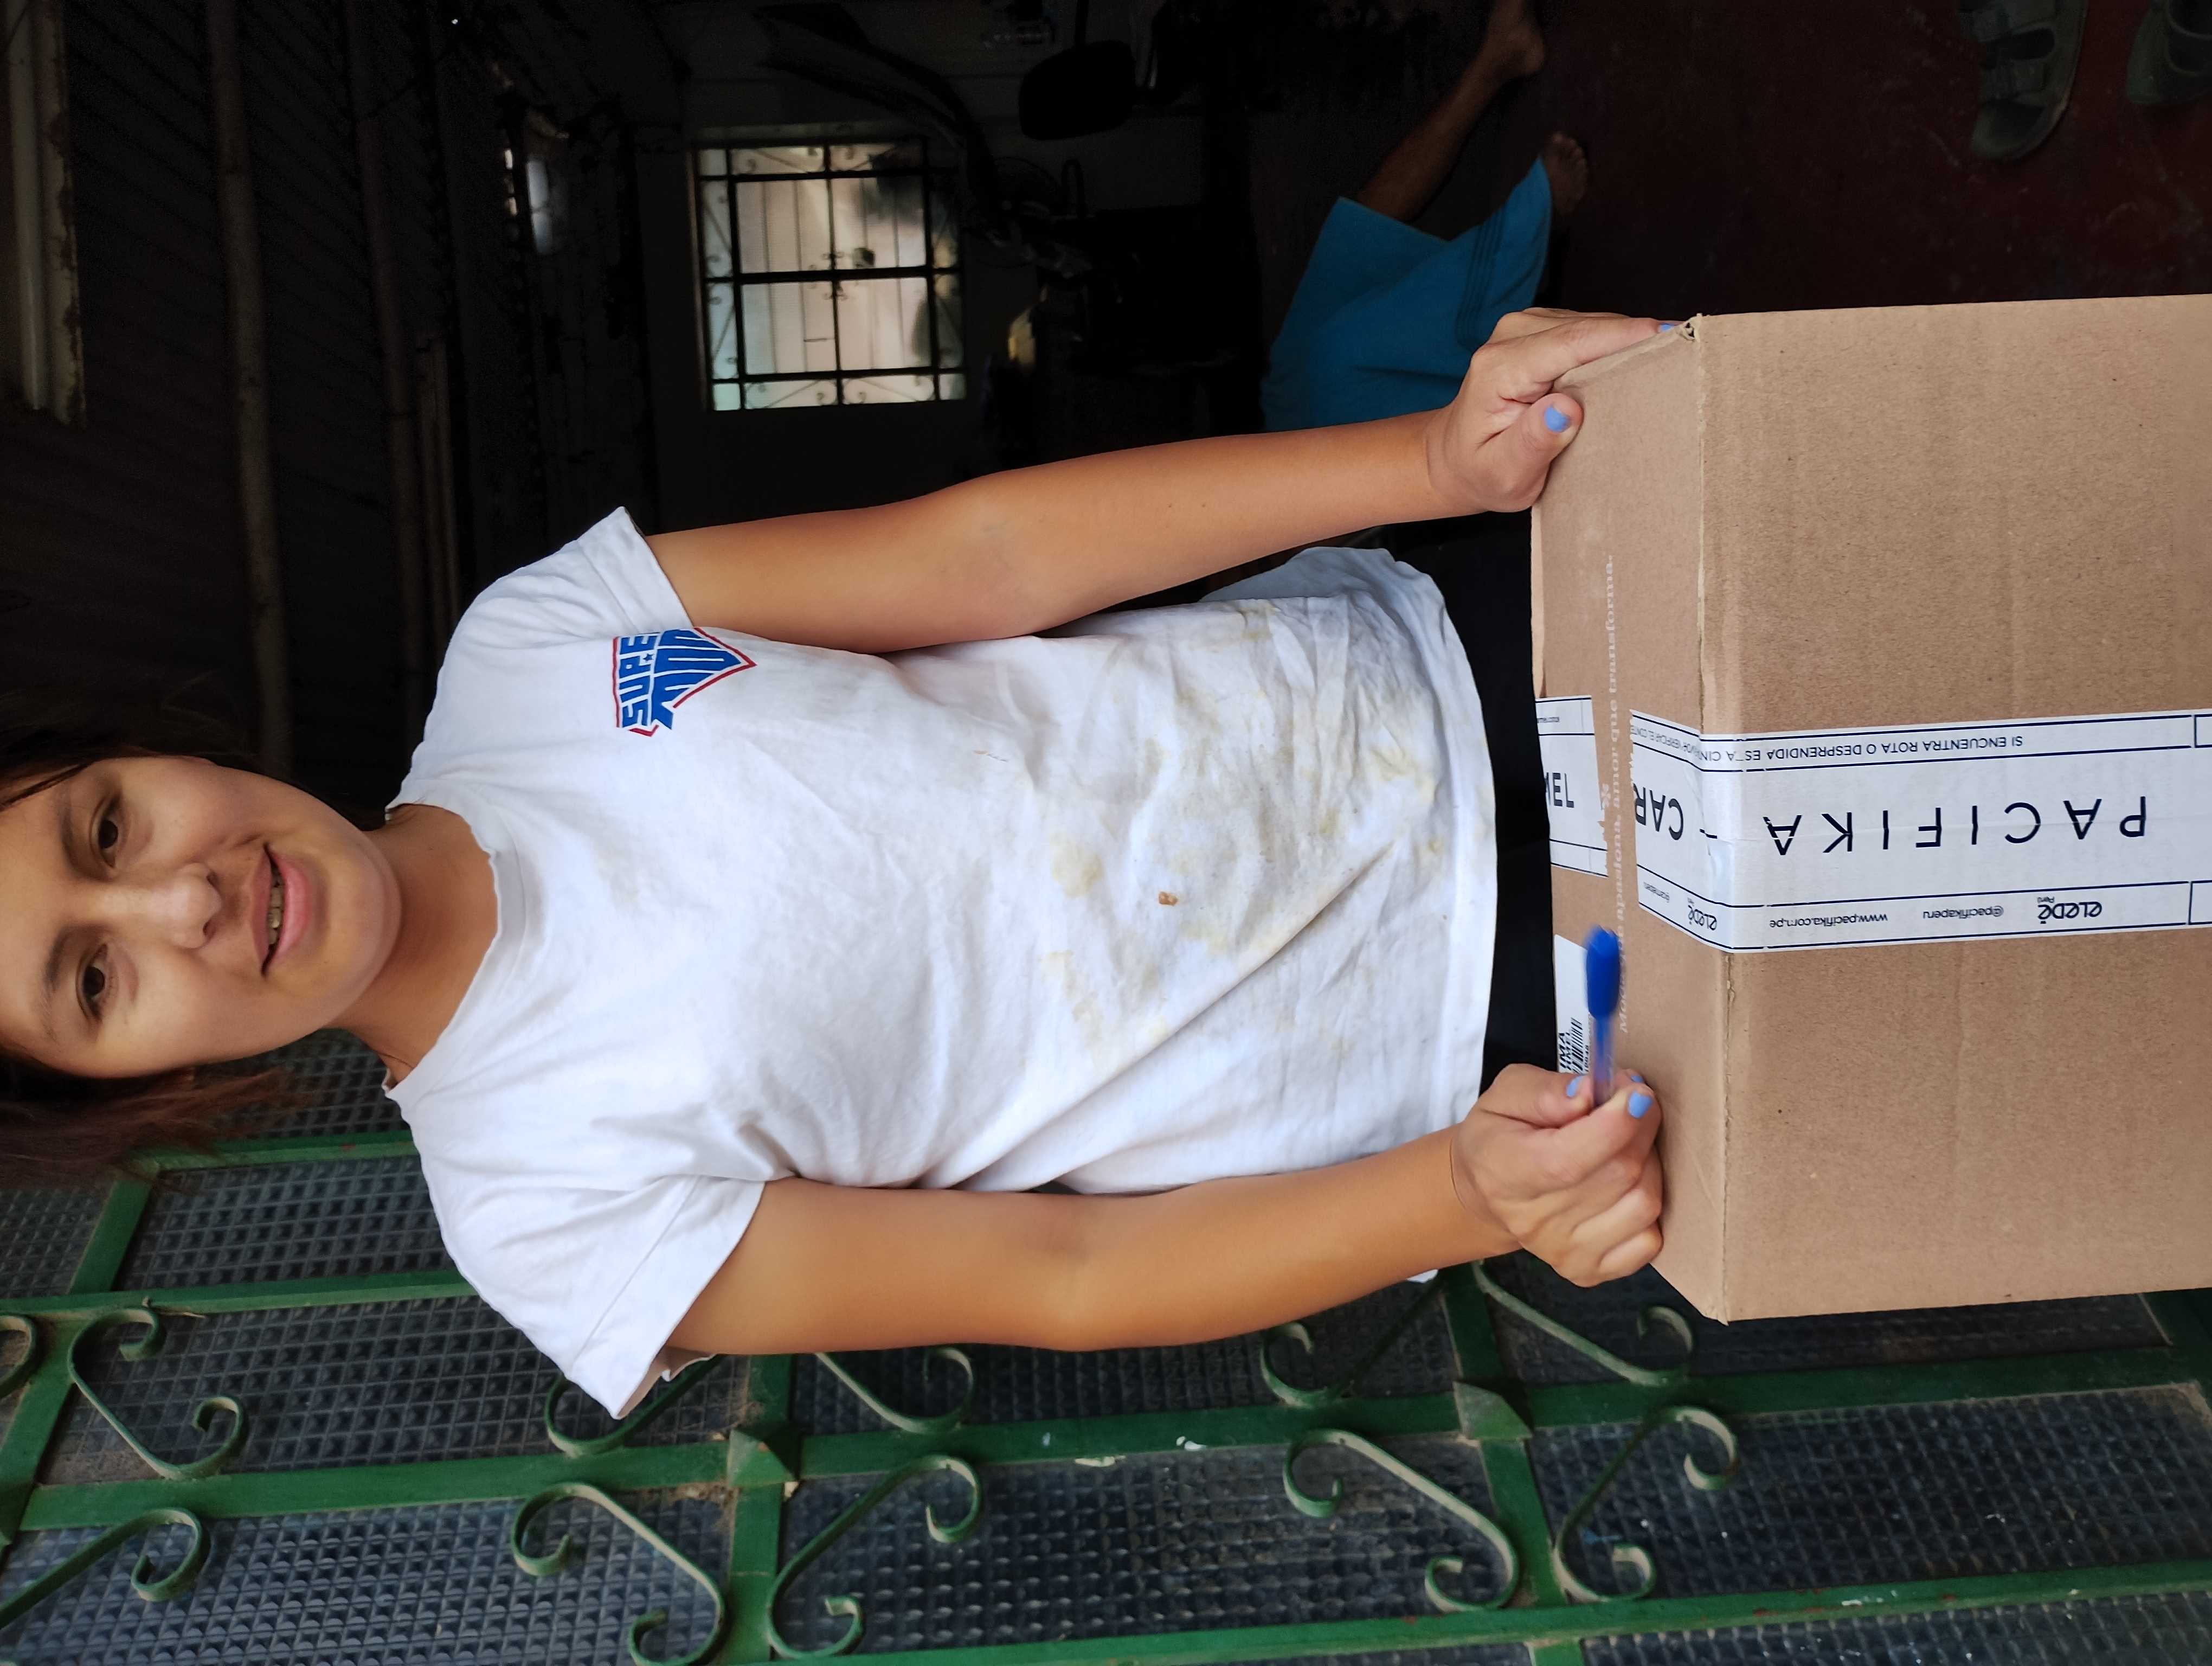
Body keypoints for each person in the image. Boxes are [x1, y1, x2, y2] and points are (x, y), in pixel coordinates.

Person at [0, 308, 1668, 1423]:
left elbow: (983, 558)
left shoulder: (537, 649)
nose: (180, 900)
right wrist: (1466, 1197)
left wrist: (1428, 464)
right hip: (1482, 1037)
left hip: (1440, 661)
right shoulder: (541, 1213)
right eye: (95, 977)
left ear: (149, 752)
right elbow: (1067, 1276)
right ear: (139, 1086)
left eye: (107, 828)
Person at [1262, 0, 1589, 434]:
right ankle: (1528, 241)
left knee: (1350, 245)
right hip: (1301, 462)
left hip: (1264, 423)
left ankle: (1497, 60)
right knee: (1339, 359)